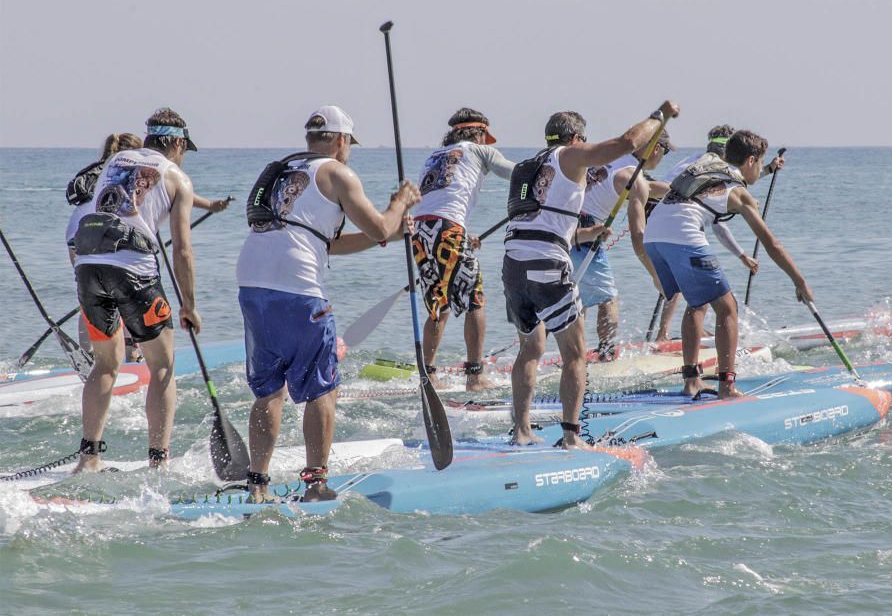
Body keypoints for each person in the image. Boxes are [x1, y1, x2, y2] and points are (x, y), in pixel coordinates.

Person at [236, 105, 420, 503]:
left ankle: (258, 485)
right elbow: (381, 225)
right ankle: (316, 484)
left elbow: (330, 242)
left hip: (251, 284)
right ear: (340, 140)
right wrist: (402, 202)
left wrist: (388, 236)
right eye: (349, 143)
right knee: (322, 387)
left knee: (269, 388)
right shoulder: (337, 172)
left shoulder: (286, 171)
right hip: (299, 288)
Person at [503, 101, 680, 447]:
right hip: (547, 266)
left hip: (513, 266)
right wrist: (659, 115)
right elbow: (628, 142)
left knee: (531, 349)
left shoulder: (526, 167)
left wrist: (586, 234)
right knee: (574, 353)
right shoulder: (570, 156)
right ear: (576, 138)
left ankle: (521, 432)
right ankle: (571, 438)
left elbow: (539, 221)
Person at [71, 108, 203, 472]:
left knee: (105, 365)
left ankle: (89, 458)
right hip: (134, 271)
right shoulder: (177, 177)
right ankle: (159, 462)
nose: (182, 156)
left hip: (87, 266)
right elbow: (182, 249)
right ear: (176, 143)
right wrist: (189, 305)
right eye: (184, 149)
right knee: (162, 366)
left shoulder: (116, 160)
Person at [644, 129, 812, 398]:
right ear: (751, 160)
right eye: (760, 163)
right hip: (682, 235)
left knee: (696, 303)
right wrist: (800, 281)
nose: (759, 170)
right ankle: (727, 386)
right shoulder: (738, 192)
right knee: (727, 308)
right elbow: (772, 244)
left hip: (652, 236)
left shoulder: (708, 166)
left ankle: (691, 381)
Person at [65, 134, 232, 360]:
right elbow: (177, 192)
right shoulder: (136, 172)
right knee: (123, 290)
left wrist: (210, 205)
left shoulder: (111, 169)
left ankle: (90, 355)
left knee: (94, 293)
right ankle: (133, 351)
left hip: (81, 238)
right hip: (111, 241)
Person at [410, 108, 515, 391]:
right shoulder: (479, 151)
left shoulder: (434, 157)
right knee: (475, 299)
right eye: (485, 137)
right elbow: (516, 174)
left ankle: (428, 376)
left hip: (419, 231)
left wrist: (462, 235)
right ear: (479, 133)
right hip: (448, 229)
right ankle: (475, 376)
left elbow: (438, 201)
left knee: (438, 304)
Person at [645, 125, 774, 341]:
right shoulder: (707, 166)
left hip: (660, 221)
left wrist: (768, 169)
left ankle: (666, 334)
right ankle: (665, 334)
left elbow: (738, 179)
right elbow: (719, 221)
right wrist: (742, 254)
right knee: (698, 289)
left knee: (686, 285)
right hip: (668, 216)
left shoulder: (700, 161)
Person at [569, 128, 674, 360]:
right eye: (664, 153)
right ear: (656, 148)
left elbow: (647, 187)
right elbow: (638, 236)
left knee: (577, 296)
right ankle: (605, 356)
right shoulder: (634, 181)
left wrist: (681, 192)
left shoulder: (611, 159)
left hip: (561, 227)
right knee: (608, 298)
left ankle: (573, 355)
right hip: (587, 234)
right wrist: (656, 276)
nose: (662, 158)